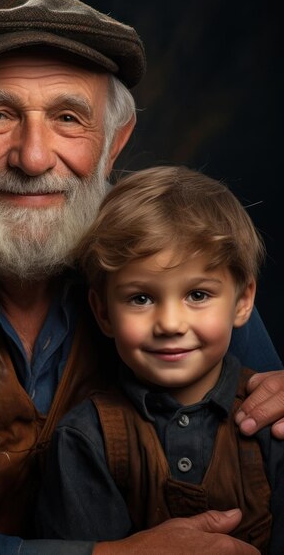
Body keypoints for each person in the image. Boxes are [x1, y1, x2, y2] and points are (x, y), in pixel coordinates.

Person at [0, 0, 282, 555]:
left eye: (68, 118)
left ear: (115, 142)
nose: (34, 158)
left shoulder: (180, 267)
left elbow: (263, 417)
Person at [36, 165, 284, 554]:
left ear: (243, 301)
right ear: (103, 313)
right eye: (141, 298)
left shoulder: (274, 425)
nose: (169, 323)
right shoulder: (85, 438)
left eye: (198, 295)